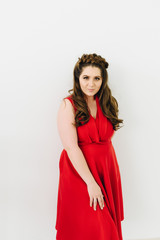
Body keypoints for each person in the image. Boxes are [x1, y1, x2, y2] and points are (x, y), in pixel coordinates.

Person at [55, 53, 124, 240]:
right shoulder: (68, 105)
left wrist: (104, 173)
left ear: (103, 80)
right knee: (88, 225)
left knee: (104, 225)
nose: (91, 84)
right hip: (79, 173)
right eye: (86, 77)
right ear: (78, 78)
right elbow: (71, 147)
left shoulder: (108, 103)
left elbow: (107, 139)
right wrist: (91, 183)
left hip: (106, 170)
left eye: (97, 78)